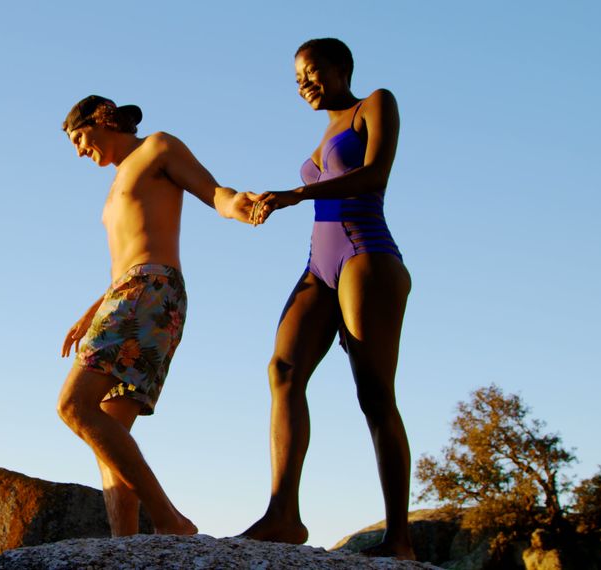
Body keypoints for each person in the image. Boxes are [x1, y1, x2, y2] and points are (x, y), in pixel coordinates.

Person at [238, 38, 415, 560]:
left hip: (366, 255)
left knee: (375, 395)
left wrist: (297, 194)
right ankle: (283, 515)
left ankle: (399, 539)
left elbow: (376, 174)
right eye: (297, 79)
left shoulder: (375, 104)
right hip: (319, 265)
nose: (305, 84)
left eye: (313, 73)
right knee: (283, 371)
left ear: (342, 68)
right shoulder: (324, 134)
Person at [57, 95, 256, 536]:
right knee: (106, 431)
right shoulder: (115, 185)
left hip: (151, 290)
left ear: (102, 120)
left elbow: (215, 192)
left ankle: (170, 520)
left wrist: (239, 205)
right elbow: (123, 260)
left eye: (78, 138)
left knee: (73, 406)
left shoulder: (158, 149)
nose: (78, 151)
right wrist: (92, 312)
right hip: (125, 293)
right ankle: (124, 547)